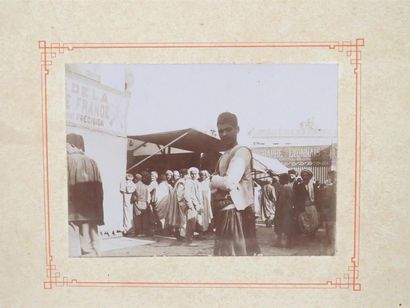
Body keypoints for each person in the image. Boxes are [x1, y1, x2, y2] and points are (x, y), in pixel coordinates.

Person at [211, 112, 261, 256]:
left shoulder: (241, 152)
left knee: (233, 256)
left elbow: (229, 183)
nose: (224, 134)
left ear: (237, 129)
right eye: (221, 131)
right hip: (223, 212)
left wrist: (213, 180)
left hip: (234, 214)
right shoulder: (224, 155)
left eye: (228, 129)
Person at [66, 133, 104, 257]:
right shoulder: (93, 162)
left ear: (72, 145)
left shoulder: (67, 160)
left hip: (72, 213)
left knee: (72, 248)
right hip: (91, 212)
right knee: (90, 248)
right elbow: (99, 189)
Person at [294, 169, 319, 237]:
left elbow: (317, 196)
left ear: (309, 176)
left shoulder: (314, 185)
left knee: (314, 221)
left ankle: (312, 233)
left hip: (312, 205)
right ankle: (308, 233)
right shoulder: (299, 186)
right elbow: (297, 197)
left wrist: (313, 202)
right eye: (303, 175)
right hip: (303, 206)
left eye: (306, 175)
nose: (304, 177)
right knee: (304, 220)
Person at [273, 173, 295, 248]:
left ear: (283, 180)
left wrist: (277, 210)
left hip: (282, 210)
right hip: (288, 210)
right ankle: (288, 243)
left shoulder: (283, 188)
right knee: (287, 227)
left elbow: (281, 201)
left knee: (280, 226)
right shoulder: (290, 187)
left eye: (280, 179)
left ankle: (281, 243)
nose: (279, 180)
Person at [183, 167, 204, 246]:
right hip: (191, 206)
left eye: (195, 174)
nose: (193, 175)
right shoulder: (188, 182)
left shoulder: (197, 183)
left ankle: (191, 239)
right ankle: (188, 241)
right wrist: (190, 206)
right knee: (190, 224)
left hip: (197, 206)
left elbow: (199, 195)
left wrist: (200, 205)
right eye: (192, 174)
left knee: (195, 223)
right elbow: (186, 195)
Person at [167, 169, 187, 239]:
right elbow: (180, 194)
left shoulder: (180, 181)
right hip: (180, 204)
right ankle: (181, 235)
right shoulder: (181, 182)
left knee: (180, 219)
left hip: (178, 203)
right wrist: (183, 203)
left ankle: (180, 234)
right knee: (182, 219)